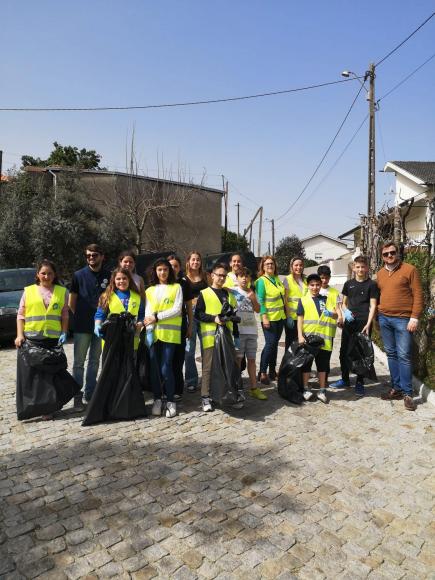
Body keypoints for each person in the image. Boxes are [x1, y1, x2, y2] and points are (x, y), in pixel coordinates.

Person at [15, 259, 72, 420]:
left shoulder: (62, 291)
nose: (46, 276)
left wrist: (64, 331)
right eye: (43, 273)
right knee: (34, 377)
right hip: (32, 339)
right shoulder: (29, 291)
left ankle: (49, 408)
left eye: (50, 273)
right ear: (37, 275)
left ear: (55, 275)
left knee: (50, 377)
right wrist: (20, 335)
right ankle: (33, 408)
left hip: (52, 339)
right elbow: (21, 315)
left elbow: (64, 314)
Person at [377, 241, 423, 411]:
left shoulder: (409, 270)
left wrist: (414, 317)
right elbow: (379, 295)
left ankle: (408, 394)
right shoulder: (380, 274)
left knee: (404, 355)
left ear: (397, 253)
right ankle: (396, 388)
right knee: (391, 354)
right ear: (382, 256)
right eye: (386, 254)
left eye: (392, 253)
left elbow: (418, 294)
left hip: (403, 320)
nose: (389, 256)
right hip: (384, 319)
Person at [69, 244, 111, 409]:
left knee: (94, 361)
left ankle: (90, 394)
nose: (91, 258)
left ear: (102, 256)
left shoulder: (109, 275)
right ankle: (77, 396)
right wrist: (81, 316)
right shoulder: (78, 275)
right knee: (78, 363)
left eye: (94, 255)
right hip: (82, 326)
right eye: (88, 256)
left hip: (101, 327)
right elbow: (71, 302)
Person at [330, 256, 378, 397]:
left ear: (367, 268)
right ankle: (345, 379)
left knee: (361, 354)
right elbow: (343, 303)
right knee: (344, 352)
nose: (360, 269)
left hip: (364, 323)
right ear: (354, 267)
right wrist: (346, 312)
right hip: (349, 323)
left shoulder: (372, 285)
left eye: (363, 267)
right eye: (358, 267)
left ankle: (359, 382)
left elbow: (373, 305)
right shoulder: (348, 284)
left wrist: (369, 324)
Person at [195, 262, 240, 411]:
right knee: (208, 368)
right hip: (210, 337)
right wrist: (213, 318)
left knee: (227, 366)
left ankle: (227, 394)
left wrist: (233, 322)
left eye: (224, 276)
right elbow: (198, 314)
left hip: (226, 337)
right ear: (212, 276)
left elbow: (234, 314)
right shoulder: (204, 293)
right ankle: (205, 397)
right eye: (219, 275)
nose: (221, 278)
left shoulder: (228, 294)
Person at [145, 259, 183, 418]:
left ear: (170, 271)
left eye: (165, 270)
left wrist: (157, 317)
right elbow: (148, 312)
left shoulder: (176, 287)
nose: (163, 272)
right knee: (154, 369)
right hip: (153, 334)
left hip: (169, 334)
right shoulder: (150, 290)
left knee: (166, 367)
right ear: (155, 271)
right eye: (159, 269)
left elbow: (177, 309)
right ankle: (157, 399)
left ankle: (170, 401)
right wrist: (148, 330)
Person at [297, 273, 338, 403]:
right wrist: (300, 335)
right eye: (312, 285)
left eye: (317, 285)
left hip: (324, 338)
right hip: (309, 338)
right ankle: (305, 388)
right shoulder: (303, 300)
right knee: (307, 364)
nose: (315, 287)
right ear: (308, 286)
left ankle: (322, 389)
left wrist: (332, 314)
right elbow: (300, 319)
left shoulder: (327, 299)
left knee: (322, 365)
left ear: (321, 286)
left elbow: (336, 316)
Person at [229, 267, 267, 400]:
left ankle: (254, 388)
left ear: (250, 278)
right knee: (238, 360)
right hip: (238, 332)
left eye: (247, 276)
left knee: (252, 360)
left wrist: (253, 299)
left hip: (252, 331)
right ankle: (237, 387)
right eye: (241, 276)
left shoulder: (252, 292)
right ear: (237, 278)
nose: (244, 278)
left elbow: (257, 310)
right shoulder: (232, 291)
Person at [94, 267, 144, 349]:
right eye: (118, 279)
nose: (121, 281)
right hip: (112, 338)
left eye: (124, 278)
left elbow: (142, 314)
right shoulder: (107, 296)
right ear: (114, 280)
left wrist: (140, 323)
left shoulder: (137, 297)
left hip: (131, 336)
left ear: (129, 280)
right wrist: (97, 325)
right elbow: (100, 314)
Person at [255, 256, 287, 385]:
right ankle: (262, 372)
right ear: (263, 266)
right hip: (269, 318)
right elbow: (260, 300)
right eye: (267, 264)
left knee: (274, 345)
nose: (270, 266)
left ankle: (272, 371)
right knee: (270, 344)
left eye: (272, 263)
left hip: (280, 317)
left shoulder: (277, 279)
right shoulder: (261, 281)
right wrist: (264, 317)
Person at [168, 255, 193, 400]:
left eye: (176, 266)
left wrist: (190, 325)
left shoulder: (184, 283)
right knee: (166, 359)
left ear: (179, 268)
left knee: (178, 357)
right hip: (163, 326)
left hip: (180, 324)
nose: (172, 268)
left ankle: (178, 388)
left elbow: (189, 306)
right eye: (170, 265)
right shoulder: (160, 282)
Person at [183, 251, 208, 392]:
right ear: (188, 262)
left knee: (207, 349)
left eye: (198, 260)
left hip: (205, 316)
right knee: (189, 351)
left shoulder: (206, 277)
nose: (195, 262)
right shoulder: (184, 279)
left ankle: (207, 378)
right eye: (193, 260)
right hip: (190, 316)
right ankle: (191, 380)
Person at [283, 257, 308, 350]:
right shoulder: (287, 279)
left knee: (302, 343)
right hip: (292, 318)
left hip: (304, 317)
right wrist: (288, 316)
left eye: (301, 265)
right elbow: (285, 300)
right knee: (290, 343)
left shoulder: (305, 280)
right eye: (296, 265)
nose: (299, 267)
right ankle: (288, 364)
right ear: (291, 267)